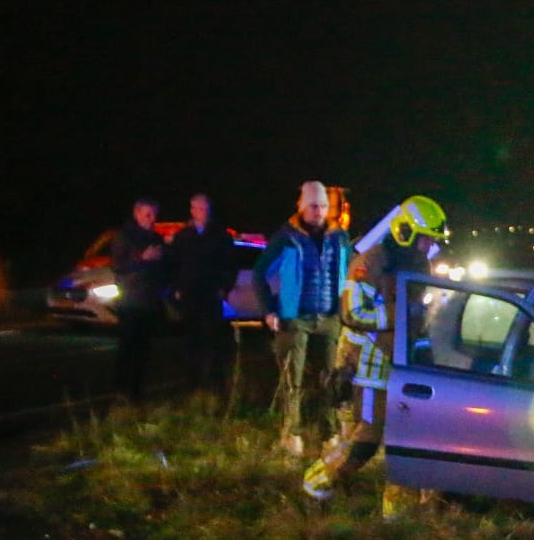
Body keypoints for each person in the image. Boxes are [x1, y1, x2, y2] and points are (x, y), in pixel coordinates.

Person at [303, 195, 447, 515]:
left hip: (401, 363)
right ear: (406, 231)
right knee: (365, 437)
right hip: (365, 362)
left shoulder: (420, 265)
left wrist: (425, 358)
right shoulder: (371, 262)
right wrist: (398, 317)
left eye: (432, 241)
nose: (428, 248)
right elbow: (352, 312)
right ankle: (317, 484)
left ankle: (398, 514)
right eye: (426, 239)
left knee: (405, 438)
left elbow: (417, 319)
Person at [253, 181, 352, 455]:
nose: (318, 210)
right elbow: (259, 273)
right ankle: (291, 435)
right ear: (302, 206)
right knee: (291, 380)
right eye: (313, 206)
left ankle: (329, 434)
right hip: (294, 318)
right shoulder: (286, 237)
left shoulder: (339, 237)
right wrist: (269, 309)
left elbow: (354, 272)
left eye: (322, 205)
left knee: (330, 378)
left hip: (330, 318)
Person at [168, 192, 237, 394]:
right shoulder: (183, 236)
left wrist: (224, 287)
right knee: (191, 340)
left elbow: (230, 264)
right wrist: (176, 288)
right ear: (191, 210)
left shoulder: (221, 236)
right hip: (189, 295)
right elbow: (173, 264)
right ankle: (192, 384)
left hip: (211, 295)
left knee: (214, 340)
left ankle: (217, 385)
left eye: (204, 208)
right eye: (197, 208)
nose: (200, 212)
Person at [109, 196, 166, 403]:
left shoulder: (156, 238)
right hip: (130, 302)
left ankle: (136, 391)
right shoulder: (124, 237)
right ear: (137, 213)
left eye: (154, 215)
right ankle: (122, 391)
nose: (152, 219)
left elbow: (162, 269)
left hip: (149, 301)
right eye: (147, 214)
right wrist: (142, 258)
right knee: (128, 348)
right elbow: (117, 265)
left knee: (143, 349)